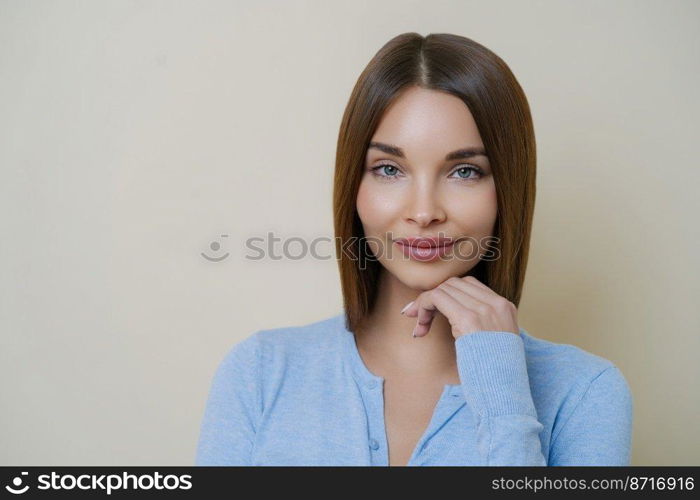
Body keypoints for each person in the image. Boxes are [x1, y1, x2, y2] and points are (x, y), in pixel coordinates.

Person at [195, 32, 633, 466]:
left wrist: (502, 393)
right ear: (354, 186)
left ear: (508, 190)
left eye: (464, 171)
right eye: (388, 168)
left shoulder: (584, 392)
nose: (424, 212)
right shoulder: (261, 372)